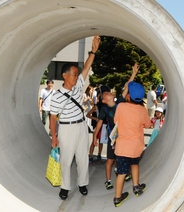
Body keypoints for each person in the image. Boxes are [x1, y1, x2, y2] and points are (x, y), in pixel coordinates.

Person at [49, 35, 100, 200]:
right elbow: (52, 118)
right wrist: (54, 137)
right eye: (74, 74)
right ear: (65, 75)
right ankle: (65, 187)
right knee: (66, 159)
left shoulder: (78, 86)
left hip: (81, 126)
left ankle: (82, 184)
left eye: (77, 74)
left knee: (82, 157)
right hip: (66, 128)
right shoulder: (56, 96)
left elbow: (86, 67)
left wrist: (93, 51)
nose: (77, 77)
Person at [92, 63, 139, 191]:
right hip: (113, 138)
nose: (108, 92)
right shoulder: (105, 110)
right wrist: (95, 137)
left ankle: (122, 172)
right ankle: (108, 180)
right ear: (103, 100)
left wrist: (133, 73)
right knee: (110, 159)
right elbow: (100, 123)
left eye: (108, 91)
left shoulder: (119, 102)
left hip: (123, 137)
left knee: (123, 156)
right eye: (105, 93)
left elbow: (127, 88)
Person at [113, 81, 151, 207]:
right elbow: (148, 124)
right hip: (135, 147)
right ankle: (136, 187)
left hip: (122, 147)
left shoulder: (121, 107)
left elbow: (115, 120)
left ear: (128, 96)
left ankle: (118, 198)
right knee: (135, 164)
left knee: (122, 173)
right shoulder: (142, 110)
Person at [86, 85, 110, 165]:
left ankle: (99, 155)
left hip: (104, 125)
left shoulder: (108, 106)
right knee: (94, 140)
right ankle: (90, 156)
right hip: (97, 125)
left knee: (101, 141)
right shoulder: (96, 106)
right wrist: (95, 119)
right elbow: (88, 115)